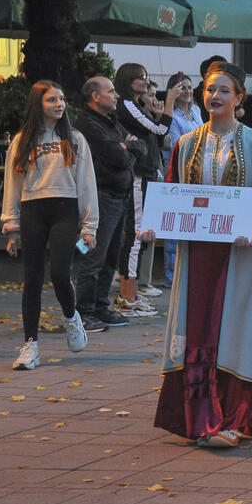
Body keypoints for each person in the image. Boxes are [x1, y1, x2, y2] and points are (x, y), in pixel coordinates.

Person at [149, 62, 252, 449]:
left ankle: (234, 419)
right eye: (209, 90)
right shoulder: (186, 143)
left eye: (224, 90)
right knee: (198, 326)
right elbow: (173, 191)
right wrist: (159, 223)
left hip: (237, 255)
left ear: (239, 98)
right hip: (197, 253)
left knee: (234, 326)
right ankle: (197, 417)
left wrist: (251, 227)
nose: (214, 97)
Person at [1, 80, 98, 370]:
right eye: (51, 100)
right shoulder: (21, 141)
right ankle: (30, 345)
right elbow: (12, 185)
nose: (59, 104)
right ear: (37, 104)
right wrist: (11, 226)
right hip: (32, 210)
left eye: (62, 99)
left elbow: (87, 184)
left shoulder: (76, 139)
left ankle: (72, 317)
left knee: (58, 273)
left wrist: (89, 226)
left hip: (65, 210)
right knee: (32, 279)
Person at [74, 77, 146, 332]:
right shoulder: (87, 124)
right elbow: (118, 157)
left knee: (111, 257)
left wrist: (127, 145)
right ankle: (83, 312)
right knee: (93, 256)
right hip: (101, 198)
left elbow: (141, 147)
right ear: (95, 96)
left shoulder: (110, 122)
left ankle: (100, 306)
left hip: (120, 196)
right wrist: (126, 147)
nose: (116, 96)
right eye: (111, 91)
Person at [115, 63, 176, 315]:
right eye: (139, 78)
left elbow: (157, 137)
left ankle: (133, 294)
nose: (144, 81)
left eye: (145, 77)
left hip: (148, 173)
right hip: (139, 175)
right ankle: (128, 298)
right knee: (136, 234)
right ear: (127, 81)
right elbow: (161, 130)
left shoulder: (137, 106)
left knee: (140, 235)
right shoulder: (128, 105)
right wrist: (170, 100)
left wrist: (156, 112)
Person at [162, 72, 205, 285]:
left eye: (189, 87)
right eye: (182, 88)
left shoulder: (196, 110)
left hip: (200, 170)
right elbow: (178, 142)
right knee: (176, 221)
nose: (187, 91)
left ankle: (192, 269)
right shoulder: (172, 115)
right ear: (173, 91)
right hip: (179, 170)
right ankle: (172, 274)